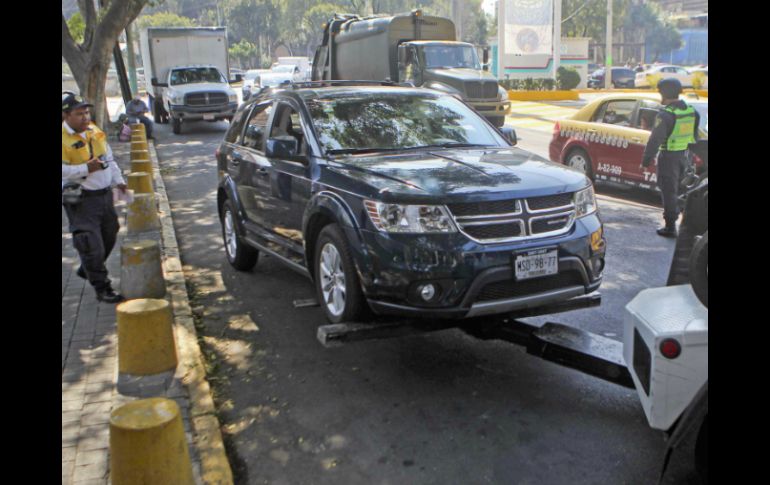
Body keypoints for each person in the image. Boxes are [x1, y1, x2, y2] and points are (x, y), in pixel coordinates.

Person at [62, 93, 127, 303]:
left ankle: (89, 267)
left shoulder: (94, 131)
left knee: (110, 233)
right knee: (90, 243)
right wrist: (84, 169)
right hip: (81, 200)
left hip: (104, 195)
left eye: (87, 112)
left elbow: (108, 158)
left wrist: (119, 181)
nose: (85, 117)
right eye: (79, 114)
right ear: (65, 115)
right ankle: (103, 287)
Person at [640, 78, 700, 238]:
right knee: (681, 190)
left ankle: (670, 227)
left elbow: (655, 140)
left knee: (668, 190)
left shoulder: (665, 115)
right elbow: (695, 136)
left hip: (669, 158)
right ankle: (683, 222)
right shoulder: (691, 111)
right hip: (686, 157)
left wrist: (646, 160)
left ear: (664, 93)